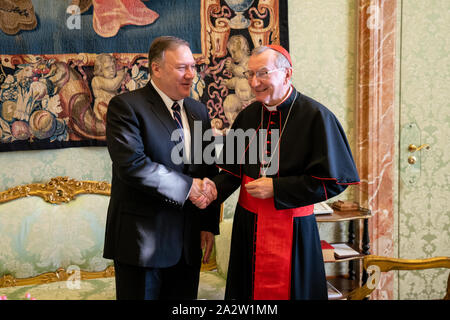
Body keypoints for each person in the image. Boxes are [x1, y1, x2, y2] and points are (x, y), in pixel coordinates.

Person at [210, 45, 360, 300]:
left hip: (294, 228)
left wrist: (277, 188)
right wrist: (206, 195)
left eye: (263, 73)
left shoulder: (316, 117)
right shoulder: (248, 116)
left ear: (287, 74)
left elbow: (335, 182)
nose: (254, 82)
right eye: (250, 74)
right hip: (250, 227)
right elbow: (231, 172)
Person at [103, 36, 220, 300]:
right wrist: (189, 188)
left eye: (193, 66)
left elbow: (207, 168)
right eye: (182, 68)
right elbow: (133, 166)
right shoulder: (126, 107)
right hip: (143, 244)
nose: (191, 74)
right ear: (156, 68)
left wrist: (208, 224)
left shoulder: (198, 111)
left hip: (188, 244)